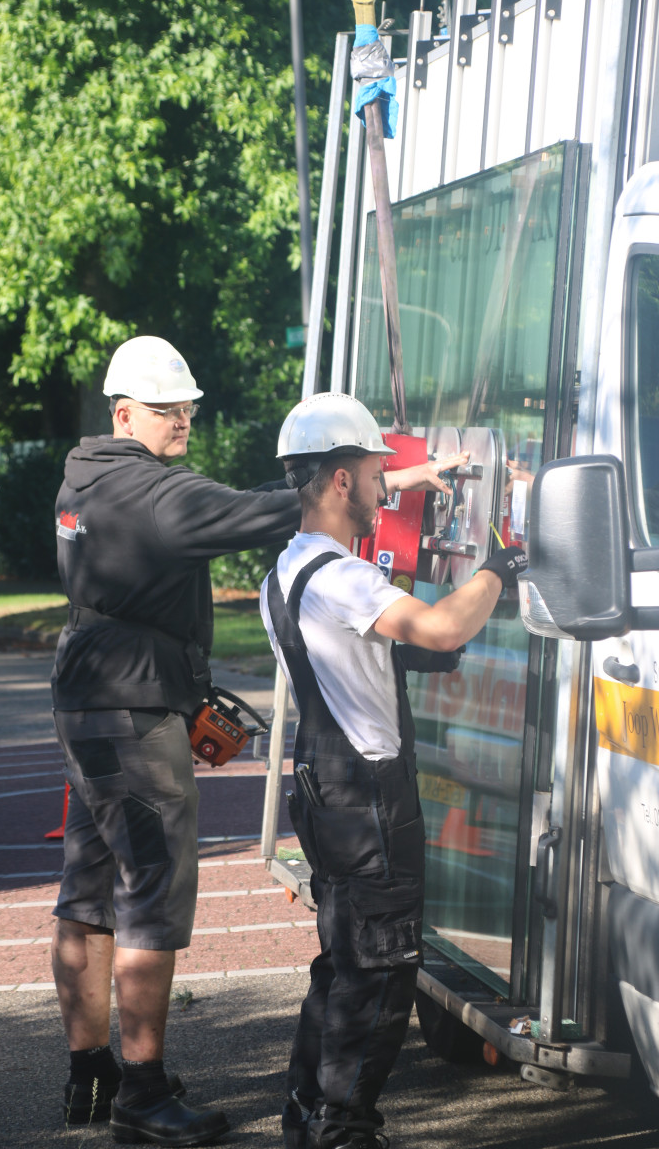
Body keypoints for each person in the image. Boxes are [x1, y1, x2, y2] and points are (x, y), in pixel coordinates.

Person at [49, 334, 307, 1146]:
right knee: (152, 896)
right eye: (167, 409)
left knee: (87, 893)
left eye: (187, 406)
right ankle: (145, 1095)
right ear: (125, 413)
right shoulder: (153, 491)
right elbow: (255, 511)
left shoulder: (82, 477)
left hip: (87, 694)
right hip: (134, 705)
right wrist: (351, 485)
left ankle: (92, 1075)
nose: (183, 418)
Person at [259, 392, 528, 1149]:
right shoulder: (344, 578)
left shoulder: (286, 569)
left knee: (341, 963)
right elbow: (441, 623)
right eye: (379, 475)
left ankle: (307, 1116)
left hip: (324, 787)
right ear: (341, 481)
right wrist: (499, 567)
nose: (386, 490)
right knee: (380, 974)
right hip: (368, 801)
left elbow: (368, 653)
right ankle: (344, 1131)